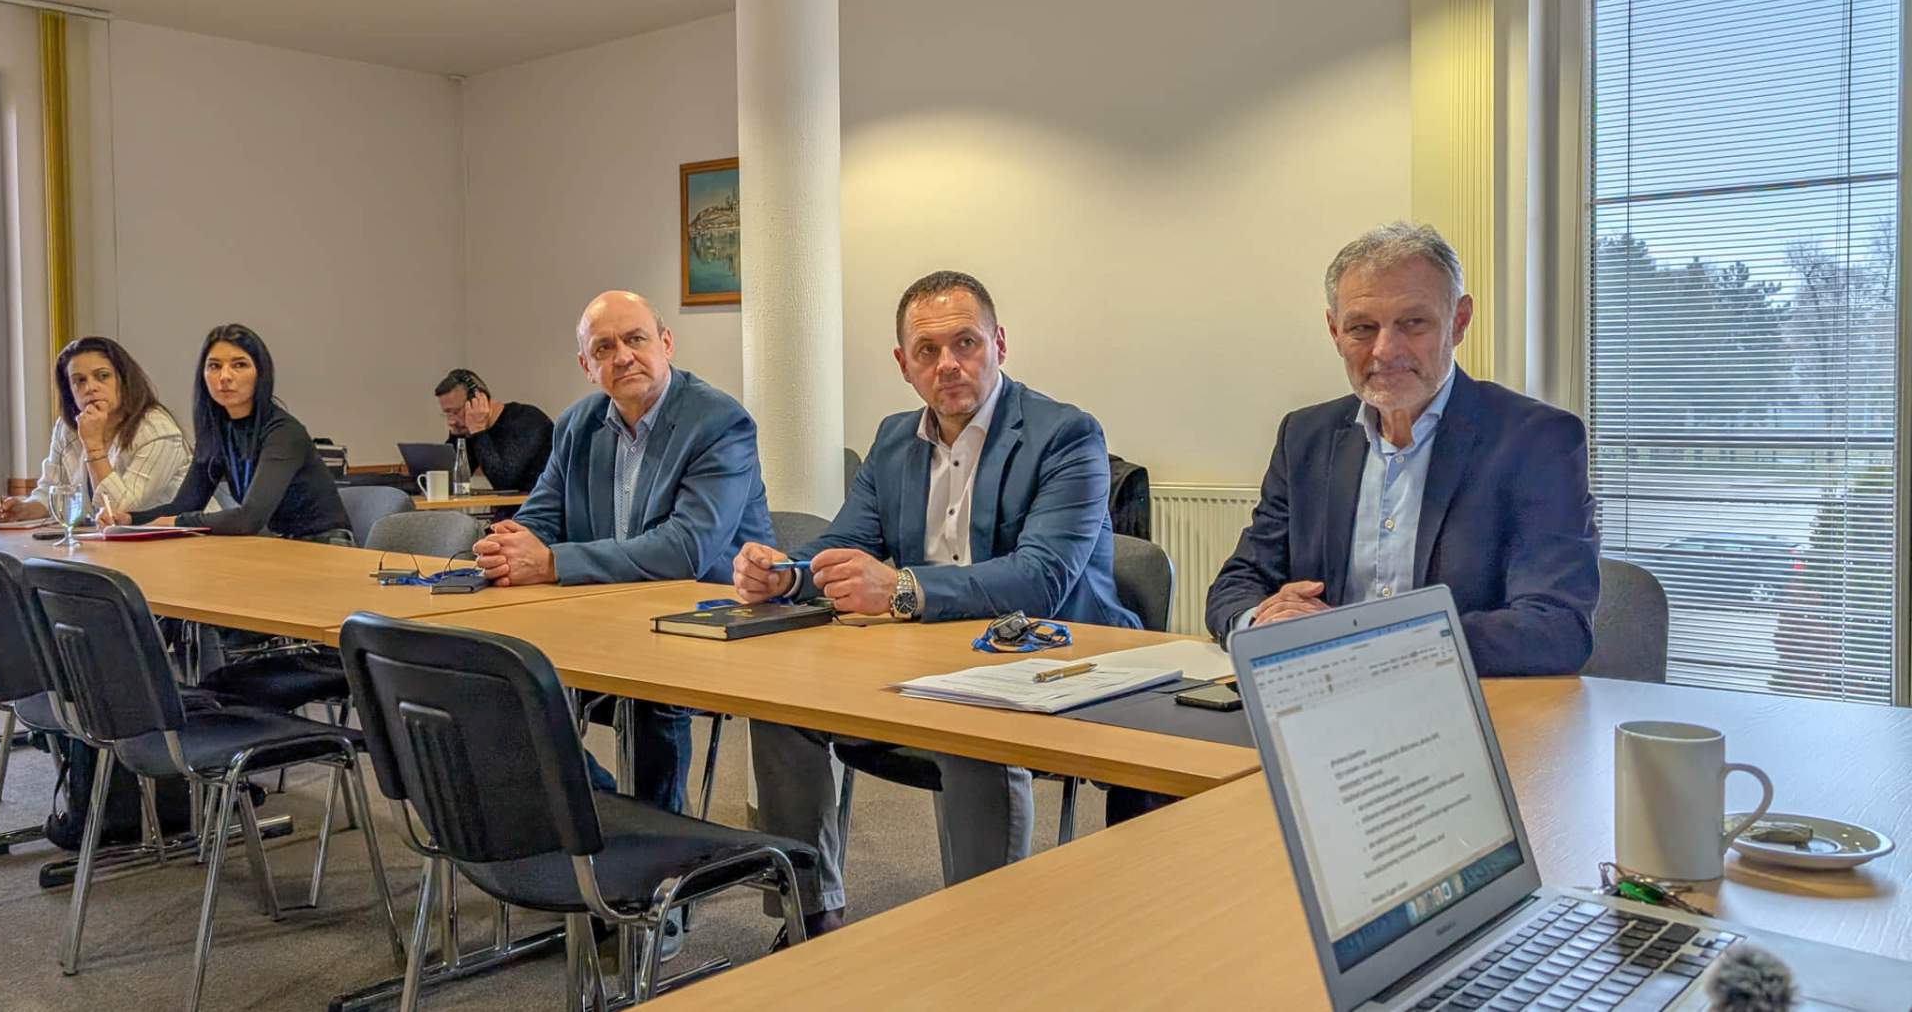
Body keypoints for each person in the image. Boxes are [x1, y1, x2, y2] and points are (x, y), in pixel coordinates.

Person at [733, 270, 1136, 942]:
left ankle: (986, 936)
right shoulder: (895, 438)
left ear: (998, 344)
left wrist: (900, 589)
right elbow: (846, 544)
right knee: (782, 705)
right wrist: (788, 574)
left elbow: (1042, 578)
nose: (948, 363)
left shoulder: (1065, 434)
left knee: (969, 729)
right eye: (927, 350)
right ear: (904, 364)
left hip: (1049, 658)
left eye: (965, 343)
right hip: (918, 659)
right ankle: (810, 916)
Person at [1207, 221, 1600, 670]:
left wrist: (1362, 640)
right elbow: (1238, 582)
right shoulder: (1305, 437)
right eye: (1362, 327)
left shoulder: (1537, 440)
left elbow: (1556, 626)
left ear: (1459, 321)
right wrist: (1263, 623)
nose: (1384, 350)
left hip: (1466, 699)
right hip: (1318, 691)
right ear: (1334, 331)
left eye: (1413, 323)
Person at [472, 290, 773, 814]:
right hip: (607, 614)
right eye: (604, 348)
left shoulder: (719, 422)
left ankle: (660, 845)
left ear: (666, 344)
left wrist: (552, 563)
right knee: (497, 673)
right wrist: (506, 546)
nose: (623, 357)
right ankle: (604, 811)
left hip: (705, 618)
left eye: (636, 339)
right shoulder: (577, 425)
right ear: (586, 366)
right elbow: (540, 517)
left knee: (648, 690)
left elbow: (686, 549)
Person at [105, 324, 354, 544]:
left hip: (326, 548)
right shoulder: (218, 432)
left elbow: (248, 519)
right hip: (280, 546)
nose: (224, 377)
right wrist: (130, 519)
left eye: (239, 365)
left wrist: (178, 522)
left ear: (261, 374)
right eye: (214, 366)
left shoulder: (283, 432)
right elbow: (184, 506)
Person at [0, 336, 190, 524]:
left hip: (171, 541)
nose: (90, 388)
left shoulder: (157, 430)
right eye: (79, 381)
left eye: (103, 376)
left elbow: (119, 512)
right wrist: (22, 510)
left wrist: (93, 446)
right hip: (105, 541)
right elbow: (51, 491)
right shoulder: (67, 427)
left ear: (124, 380)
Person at [434, 368, 553, 493]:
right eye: (447, 413)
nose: (451, 422)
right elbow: (448, 482)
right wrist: (457, 437)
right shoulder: (470, 430)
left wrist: (478, 430)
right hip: (510, 505)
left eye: (455, 412)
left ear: (479, 401)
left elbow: (504, 482)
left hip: (541, 503)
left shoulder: (527, 420)